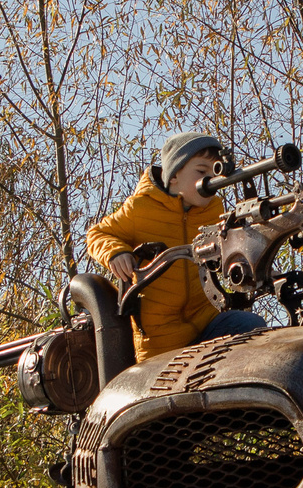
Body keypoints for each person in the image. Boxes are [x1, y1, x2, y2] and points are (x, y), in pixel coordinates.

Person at [86, 131, 273, 359]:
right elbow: (98, 234)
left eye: (215, 172)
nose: (211, 180)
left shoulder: (214, 210)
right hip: (160, 345)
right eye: (202, 171)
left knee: (250, 326)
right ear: (173, 176)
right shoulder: (141, 208)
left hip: (208, 325)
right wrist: (115, 253)